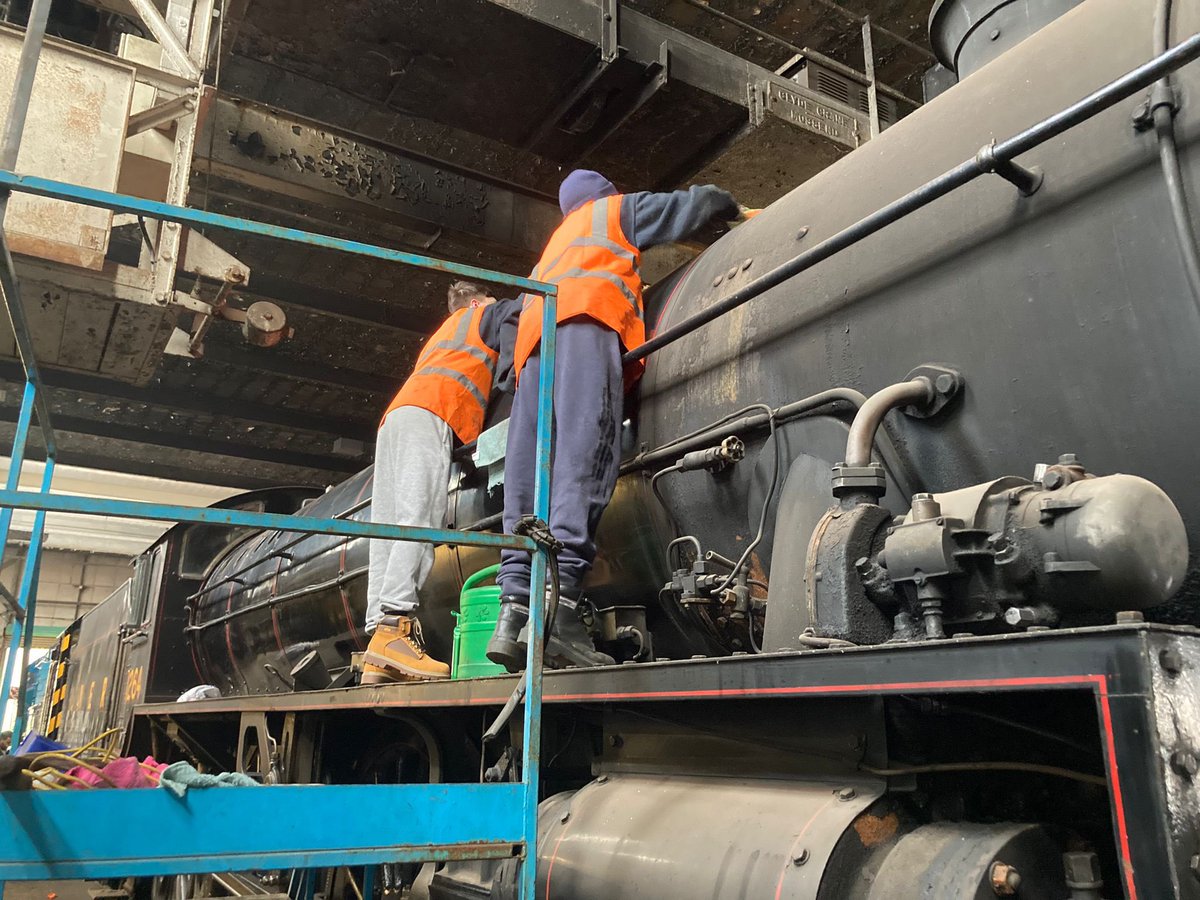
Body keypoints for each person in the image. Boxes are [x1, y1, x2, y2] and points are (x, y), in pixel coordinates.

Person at [488, 170, 745, 671]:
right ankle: (558, 611)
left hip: (533, 358)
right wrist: (728, 205)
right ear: (602, 195)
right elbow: (684, 208)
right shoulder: (611, 213)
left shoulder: (549, 253)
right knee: (585, 457)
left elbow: (509, 326)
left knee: (527, 483)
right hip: (585, 325)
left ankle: (513, 613)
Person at [364, 280, 520, 683]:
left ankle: (377, 648)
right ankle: (395, 628)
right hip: (434, 411)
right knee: (419, 519)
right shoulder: (485, 313)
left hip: (395, 418)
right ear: (474, 301)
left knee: (387, 527)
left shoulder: (440, 336)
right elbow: (520, 325)